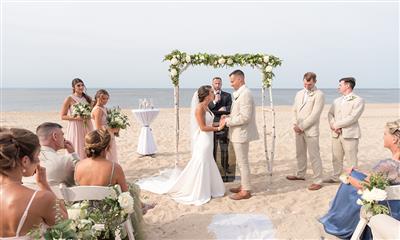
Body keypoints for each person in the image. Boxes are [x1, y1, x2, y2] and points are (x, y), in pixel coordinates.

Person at [137, 85, 226, 205]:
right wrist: (218, 128)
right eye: (211, 92)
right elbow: (203, 127)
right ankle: (199, 191)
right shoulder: (199, 108)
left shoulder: (206, 107)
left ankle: (209, 188)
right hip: (204, 140)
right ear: (206, 95)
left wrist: (219, 123)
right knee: (202, 163)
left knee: (208, 161)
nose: (213, 93)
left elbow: (209, 123)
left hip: (208, 139)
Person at [319, 119, 400, 239]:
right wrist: (358, 173)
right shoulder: (392, 166)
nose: (383, 137)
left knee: (350, 180)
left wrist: (347, 177)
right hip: (395, 206)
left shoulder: (388, 165)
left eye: (385, 134)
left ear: (394, 139)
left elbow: (364, 186)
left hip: (386, 209)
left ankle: (337, 221)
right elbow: (382, 179)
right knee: (356, 174)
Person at [74, 128, 151, 240]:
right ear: (108, 147)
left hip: (85, 214)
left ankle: (143, 207)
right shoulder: (114, 168)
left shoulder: (78, 166)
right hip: (109, 217)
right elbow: (125, 194)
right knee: (131, 192)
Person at [0, 128, 67, 239]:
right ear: (25, 161)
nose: (39, 162)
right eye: (37, 156)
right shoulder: (41, 198)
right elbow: (65, 225)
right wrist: (44, 185)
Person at [223, 69, 259, 200]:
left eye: (232, 81)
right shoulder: (241, 93)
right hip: (237, 133)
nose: (231, 84)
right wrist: (230, 115)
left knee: (243, 163)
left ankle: (246, 190)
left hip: (242, 134)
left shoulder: (246, 94)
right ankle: (244, 185)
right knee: (241, 162)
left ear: (240, 79)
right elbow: (239, 113)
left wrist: (228, 121)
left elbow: (245, 117)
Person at [286, 72, 325, 191]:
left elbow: (315, 115)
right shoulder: (299, 93)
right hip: (298, 129)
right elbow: (294, 110)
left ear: (314, 82)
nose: (307, 86)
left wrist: (302, 126)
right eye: (305, 83)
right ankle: (300, 174)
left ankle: (318, 180)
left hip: (310, 130)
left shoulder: (319, 95)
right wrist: (294, 124)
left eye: (309, 84)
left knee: (314, 155)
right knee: (300, 153)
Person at [324, 77, 365, 183]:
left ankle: (353, 179)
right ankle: (336, 177)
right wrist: (333, 124)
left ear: (347, 85)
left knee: (351, 158)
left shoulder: (358, 100)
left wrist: (336, 125)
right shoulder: (336, 101)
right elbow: (330, 113)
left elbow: (353, 117)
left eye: (340, 85)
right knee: (336, 157)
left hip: (350, 134)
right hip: (336, 134)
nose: (338, 87)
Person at [23, 122, 79, 188]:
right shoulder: (66, 160)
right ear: (55, 136)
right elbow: (81, 177)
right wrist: (73, 154)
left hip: (27, 195)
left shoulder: (25, 159)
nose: (64, 138)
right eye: (62, 135)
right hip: (55, 197)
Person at [60, 78, 94, 160]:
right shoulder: (69, 99)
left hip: (87, 125)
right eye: (78, 85)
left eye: (82, 85)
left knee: (87, 145)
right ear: (73, 87)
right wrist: (77, 117)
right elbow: (63, 116)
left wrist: (88, 116)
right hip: (75, 126)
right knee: (77, 144)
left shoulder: (88, 98)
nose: (81, 87)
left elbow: (92, 113)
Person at [208, 77, 232, 174]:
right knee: (212, 147)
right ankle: (213, 167)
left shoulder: (227, 95)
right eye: (216, 83)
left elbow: (231, 107)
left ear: (221, 84)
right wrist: (214, 102)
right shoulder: (209, 95)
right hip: (211, 123)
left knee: (224, 147)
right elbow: (207, 108)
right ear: (212, 84)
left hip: (223, 123)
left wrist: (225, 107)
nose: (217, 85)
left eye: (219, 84)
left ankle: (225, 167)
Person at [91, 89, 118, 162]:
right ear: (98, 98)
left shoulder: (104, 108)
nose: (105, 101)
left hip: (108, 134)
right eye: (103, 98)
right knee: (108, 155)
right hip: (103, 136)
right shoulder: (98, 110)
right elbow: (98, 127)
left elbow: (107, 122)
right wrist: (113, 130)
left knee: (111, 154)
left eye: (107, 99)